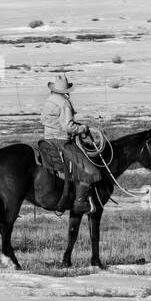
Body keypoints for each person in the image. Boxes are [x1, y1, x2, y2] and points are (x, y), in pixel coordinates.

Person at [40, 72, 101, 214]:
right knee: (90, 170)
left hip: (47, 139)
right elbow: (68, 127)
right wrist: (83, 128)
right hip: (61, 141)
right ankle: (80, 203)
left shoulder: (49, 100)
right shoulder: (64, 103)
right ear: (66, 90)